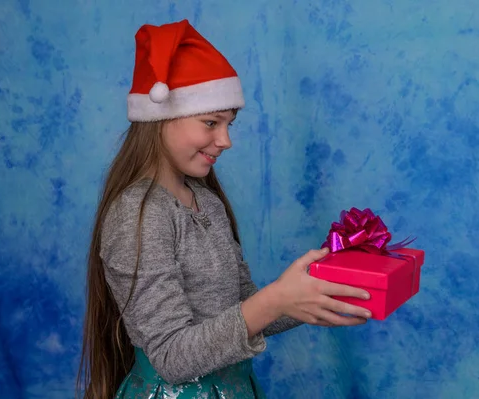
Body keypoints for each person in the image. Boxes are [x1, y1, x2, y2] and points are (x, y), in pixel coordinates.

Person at [77, 19, 372, 399]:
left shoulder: (209, 204)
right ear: (158, 119)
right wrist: (275, 299)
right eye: (211, 123)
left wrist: (315, 289)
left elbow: (245, 312)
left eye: (230, 124)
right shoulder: (137, 215)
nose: (226, 140)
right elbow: (171, 357)